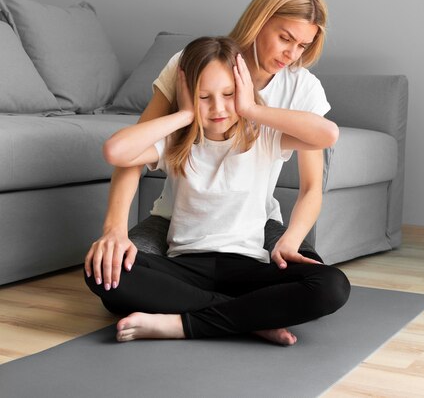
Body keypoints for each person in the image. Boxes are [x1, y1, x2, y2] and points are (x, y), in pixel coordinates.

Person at [85, 37, 350, 344]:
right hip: (184, 264)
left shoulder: (264, 136)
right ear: (188, 96)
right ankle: (247, 320)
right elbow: (115, 151)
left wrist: (250, 108)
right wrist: (183, 116)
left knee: (332, 285)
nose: (218, 108)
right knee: (99, 272)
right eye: (204, 97)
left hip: (248, 266)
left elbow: (327, 135)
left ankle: (180, 325)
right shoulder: (176, 141)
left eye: (228, 94)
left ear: (243, 90)